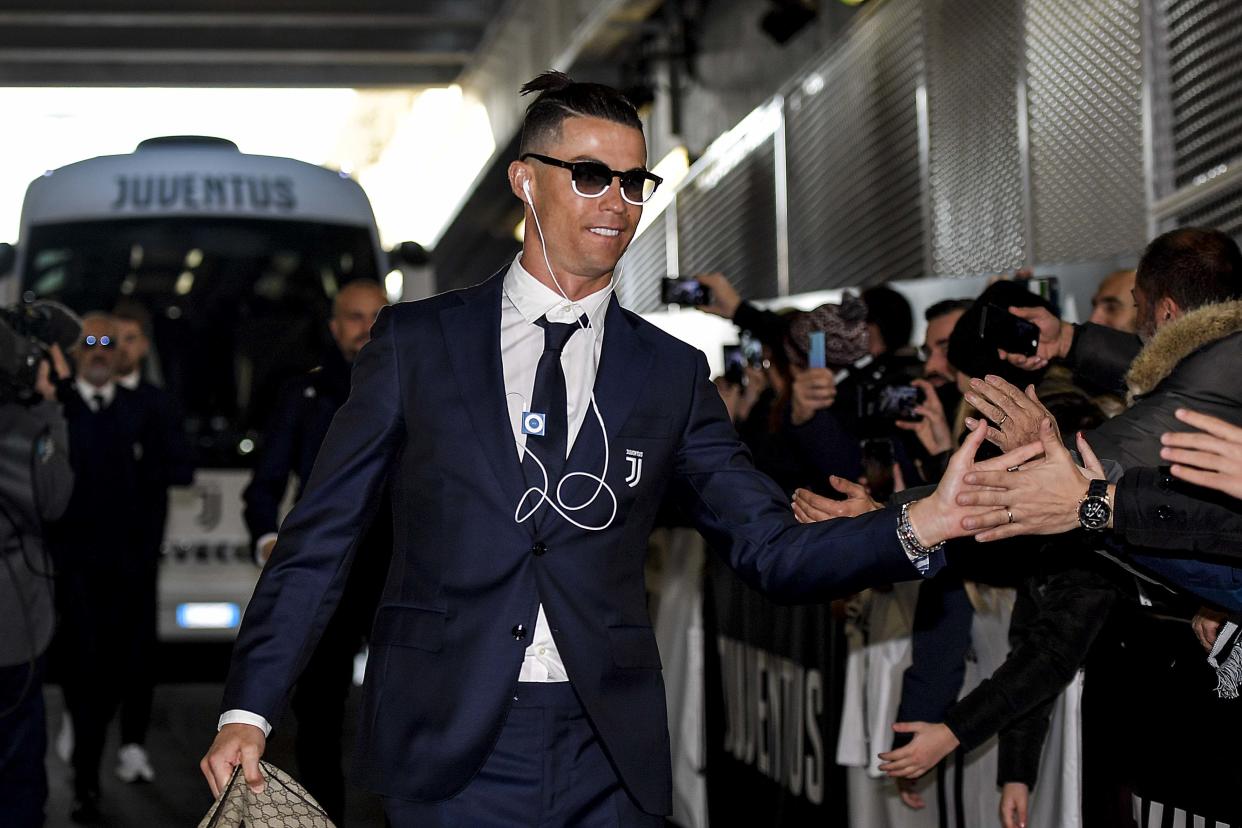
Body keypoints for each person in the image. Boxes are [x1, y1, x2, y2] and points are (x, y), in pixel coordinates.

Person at [202, 71, 1006, 827]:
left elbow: (767, 544)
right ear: (526, 180)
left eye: (633, 182)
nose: (617, 201)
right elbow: (322, 537)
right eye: (591, 175)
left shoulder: (666, 372)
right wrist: (250, 708)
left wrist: (919, 524)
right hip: (445, 737)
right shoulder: (418, 342)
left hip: (606, 748)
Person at [241, 279, 391, 825]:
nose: (366, 329)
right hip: (330, 574)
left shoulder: (427, 391)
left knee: (409, 712)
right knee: (319, 714)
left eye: (378, 316)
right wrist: (270, 542)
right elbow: (263, 486)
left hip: (402, 574)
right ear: (334, 327)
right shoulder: (304, 397)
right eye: (354, 317)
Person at [47, 313, 174, 822]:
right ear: (74, 352)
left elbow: (166, 472)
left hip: (127, 573)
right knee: (84, 678)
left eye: (106, 342)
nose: (100, 350)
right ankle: (85, 785)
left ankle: (108, 752)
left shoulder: (137, 410)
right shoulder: (58, 406)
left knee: (120, 673)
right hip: (73, 574)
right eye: (89, 343)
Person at [110, 301, 194, 785]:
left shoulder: (157, 403)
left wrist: (143, 463)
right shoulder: (82, 398)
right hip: (89, 551)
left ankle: (133, 744)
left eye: (129, 339)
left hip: (141, 548)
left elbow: (181, 468)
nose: (120, 349)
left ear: (143, 345)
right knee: (91, 651)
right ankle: (86, 737)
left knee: (139, 651)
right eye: (112, 338)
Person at [0, 324, 74, 828]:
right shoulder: (23, 429)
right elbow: (54, 500)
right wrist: (50, 406)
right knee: (17, 767)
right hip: (12, 631)